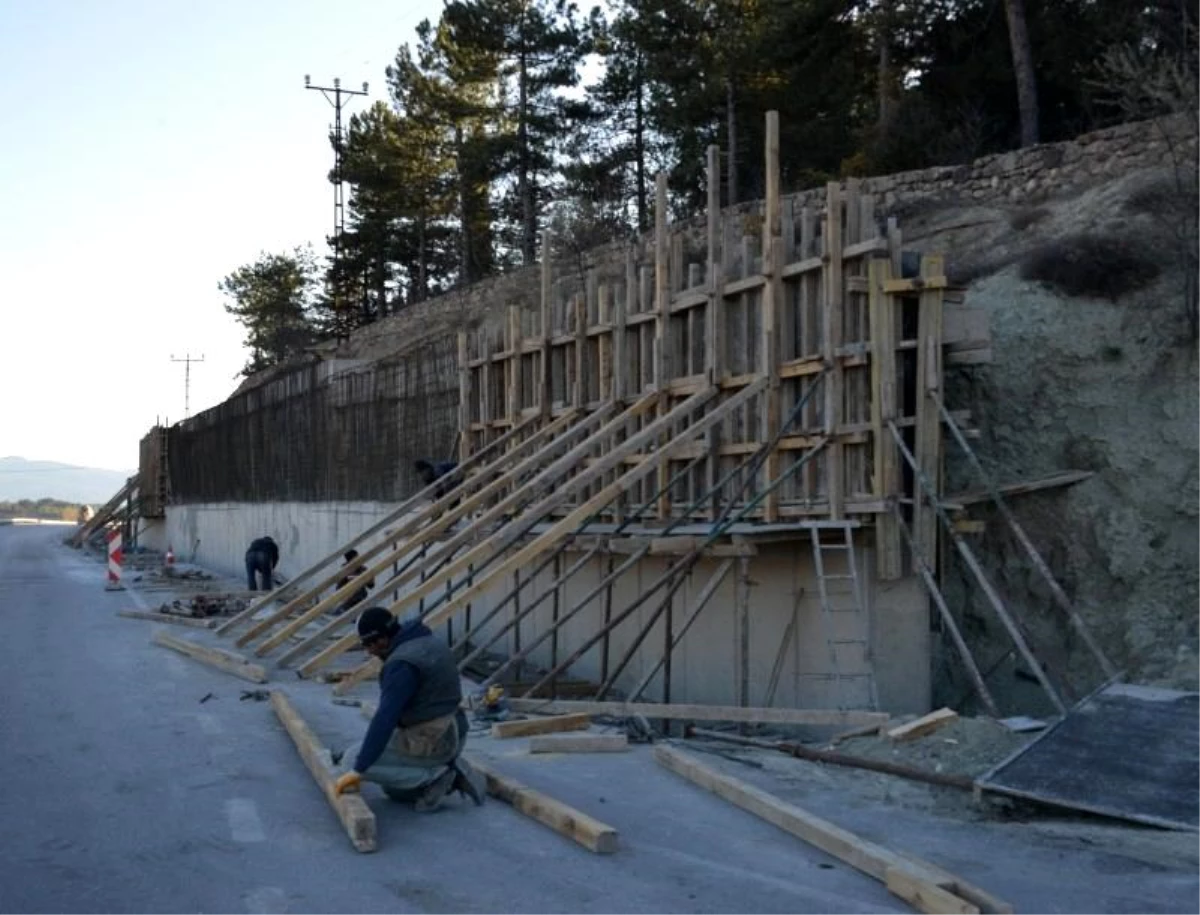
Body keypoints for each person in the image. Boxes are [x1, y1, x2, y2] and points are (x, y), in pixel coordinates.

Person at [334, 607, 484, 810]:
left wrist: (358, 768)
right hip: (455, 731)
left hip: (435, 740)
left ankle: (437, 775)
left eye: (368, 645)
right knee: (393, 790)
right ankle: (445, 770)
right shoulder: (426, 641)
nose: (369, 652)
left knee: (351, 760)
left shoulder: (401, 665)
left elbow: (385, 719)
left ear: (382, 640)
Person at [336, 549, 374, 614]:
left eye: (358, 557)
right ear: (349, 561)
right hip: (347, 600)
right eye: (356, 558)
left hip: (359, 600)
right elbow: (338, 588)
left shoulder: (363, 569)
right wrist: (347, 578)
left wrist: (369, 580)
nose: (358, 560)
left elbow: (371, 586)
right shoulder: (344, 570)